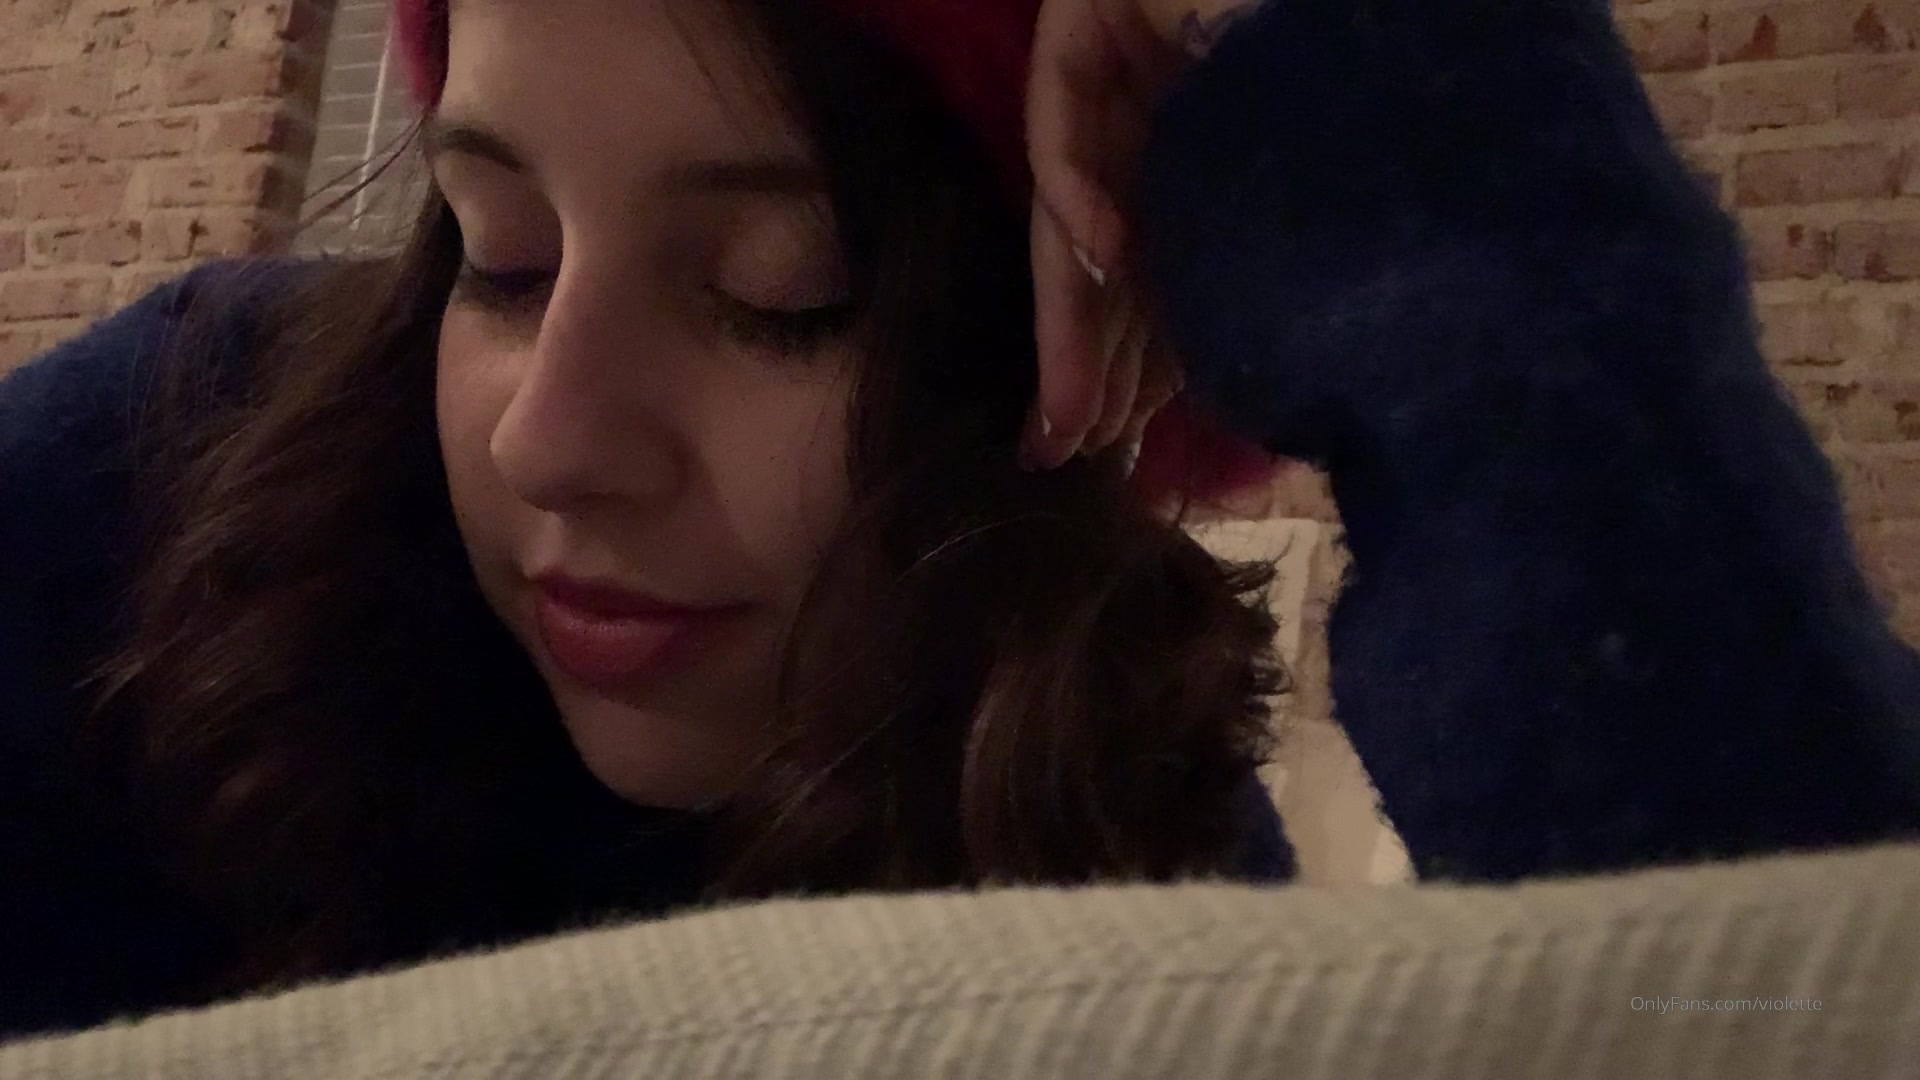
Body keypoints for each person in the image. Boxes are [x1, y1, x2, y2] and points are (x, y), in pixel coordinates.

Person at [0, 0, 1913, 1044]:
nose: (554, 440)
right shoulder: (180, 485)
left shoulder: (1131, 913)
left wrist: (1443, 202)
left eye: (781, 289)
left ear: (1067, 351)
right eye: (501, 253)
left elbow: (1794, 983)